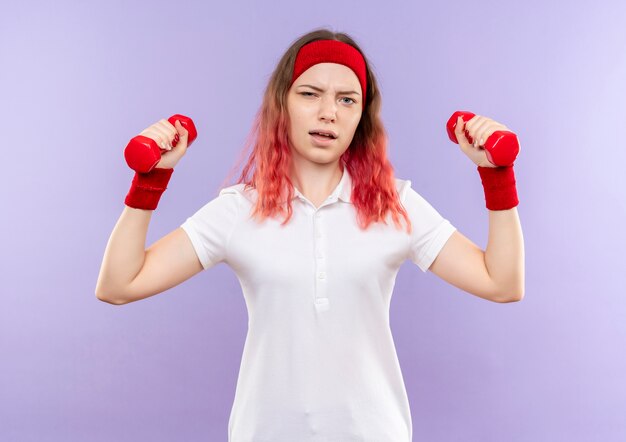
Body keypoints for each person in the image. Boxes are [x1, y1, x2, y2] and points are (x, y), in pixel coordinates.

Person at [96, 28, 524, 442]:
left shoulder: (395, 205)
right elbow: (119, 284)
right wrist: (149, 183)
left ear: (361, 116)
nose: (329, 112)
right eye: (310, 94)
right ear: (281, 104)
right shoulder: (238, 209)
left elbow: (501, 283)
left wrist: (496, 176)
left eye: (346, 99)